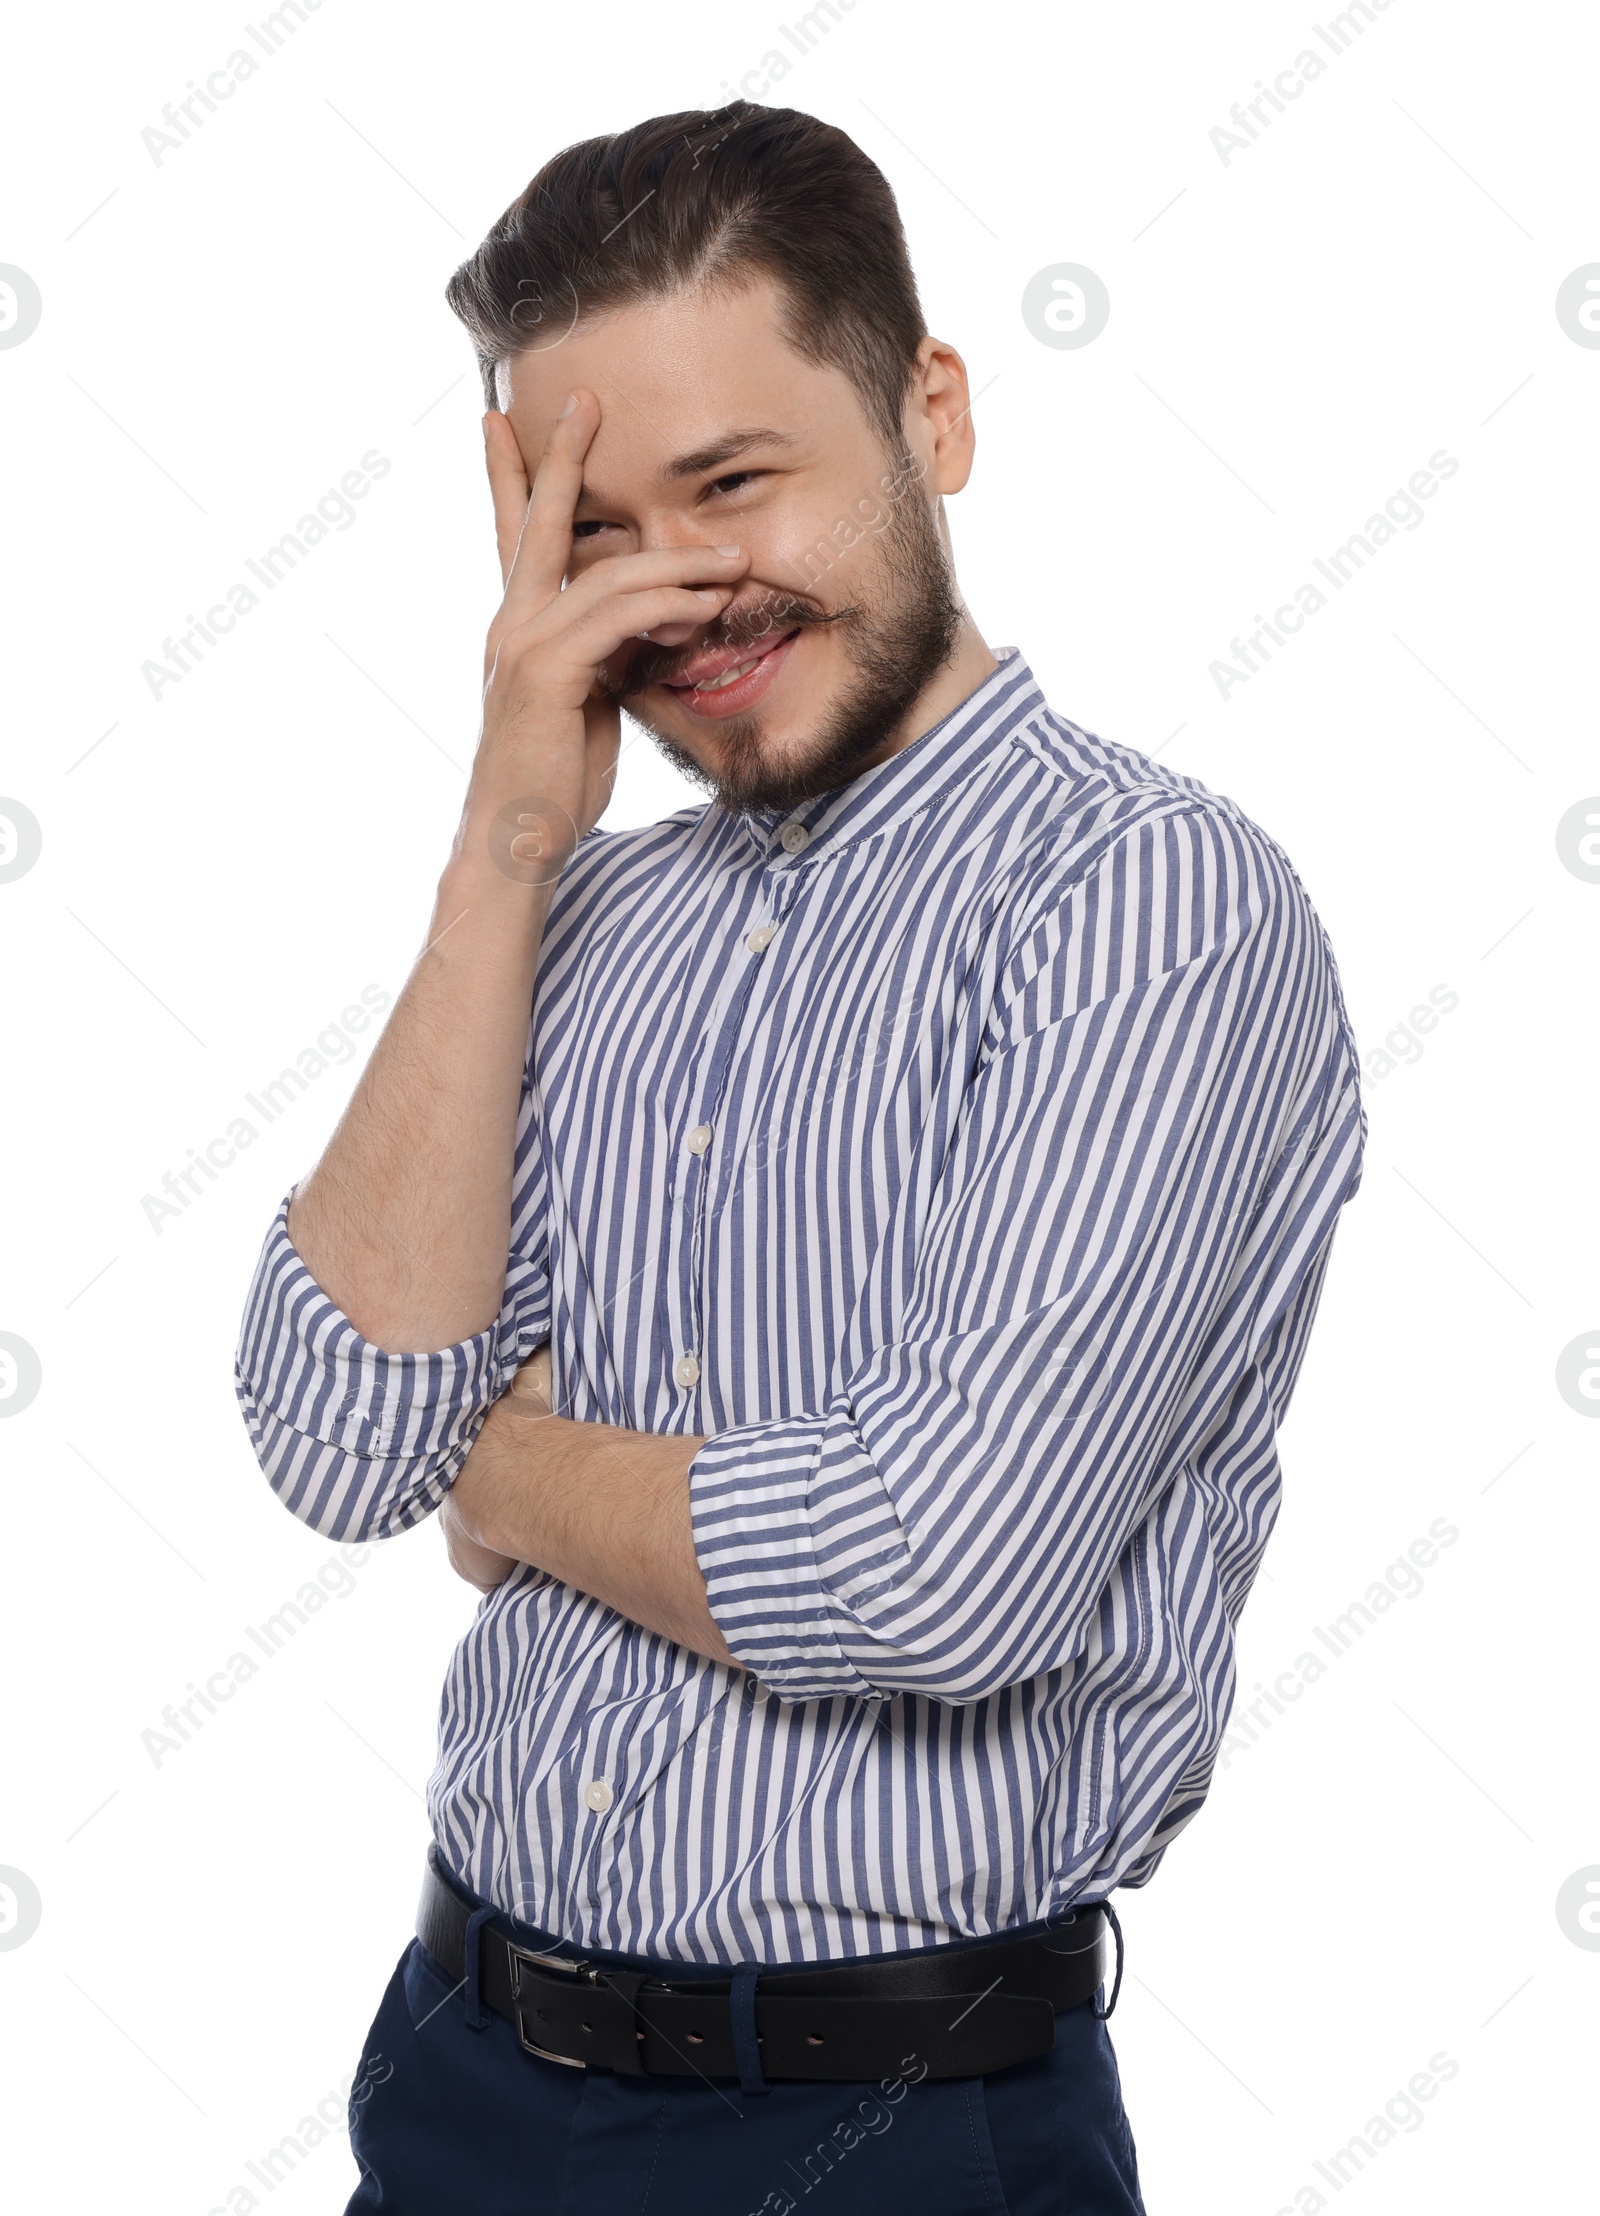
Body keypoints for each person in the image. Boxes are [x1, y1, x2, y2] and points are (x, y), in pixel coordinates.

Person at [235, 100, 1364, 2215]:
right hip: (464, 2074)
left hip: (889, 2127)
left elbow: (938, 1563)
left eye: (734, 481)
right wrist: (504, 839)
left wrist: (504, 1470)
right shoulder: (576, 924)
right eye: (599, 533)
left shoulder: (1143, 907)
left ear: (927, 411)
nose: (682, 589)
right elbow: (323, 1434)